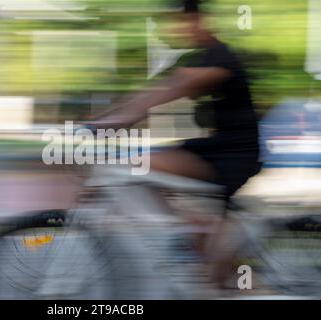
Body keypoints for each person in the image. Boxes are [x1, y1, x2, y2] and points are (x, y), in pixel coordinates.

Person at [87, 0, 262, 288]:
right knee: (219, 276)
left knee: (135, 166)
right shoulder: (200, 56)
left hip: (234, 154)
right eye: (175, 22)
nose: (178, 28)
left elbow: (174, 87)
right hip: (215, 146)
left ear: (201, 20)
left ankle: (195, 238)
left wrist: (121, 119)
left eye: (183, 21)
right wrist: (103, 118)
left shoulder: (221, 57)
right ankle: (201, 238)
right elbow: (151, 91)